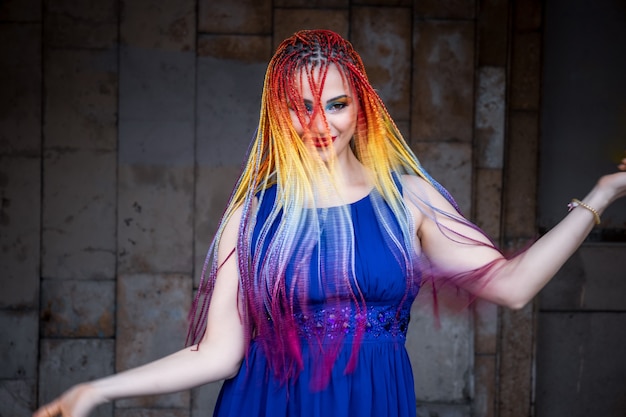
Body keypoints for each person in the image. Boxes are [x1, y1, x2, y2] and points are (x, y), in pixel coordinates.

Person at [34, 29, 626, 417]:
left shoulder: (408, 199)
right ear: (279, 114)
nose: (322, 122)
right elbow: (216, 355)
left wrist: (604, 193)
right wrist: (97, 390)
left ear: (360, 105)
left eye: (337, 103)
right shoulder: (253, 214)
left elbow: (512, 286)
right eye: (302, 106)